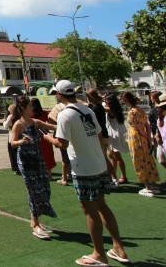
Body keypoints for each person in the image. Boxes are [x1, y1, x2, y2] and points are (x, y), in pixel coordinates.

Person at [48, 80, 129, 266]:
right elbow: (99, 135)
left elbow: (62, 144)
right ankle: (118, 247)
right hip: (99, 164)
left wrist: (47, 138)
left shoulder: (64, 114)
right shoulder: (88, 110)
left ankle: (99, 254)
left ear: (59, 95)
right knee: (102, 205)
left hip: (83, 168)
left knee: (90, 210)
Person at [10, 96, 58, 240]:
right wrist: (21, 141)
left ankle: (35, 219)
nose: (32, 108)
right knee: (33, 191)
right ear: (23, 108)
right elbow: (12, 142)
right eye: (30, 106)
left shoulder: (34, 122)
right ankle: (35, 223)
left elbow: (51, 126)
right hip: (26, 161)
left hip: (38, 159)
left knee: (44, 187)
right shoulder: (18, 124)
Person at [121, 91, 160, 197]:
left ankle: (147, 186)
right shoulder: (141, 110)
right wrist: (148, 138)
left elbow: (137, 127)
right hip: (142, 138)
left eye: (124, 101)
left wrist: (143, 135)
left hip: (136, 137)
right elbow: (146, 125)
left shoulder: (132, 112)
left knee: (139, 160)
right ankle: (154, 184)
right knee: (148, 159)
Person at [85, 89, 115, 186]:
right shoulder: (98, 107)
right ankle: (111, 178)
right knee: (103, 158)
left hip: (100, 136)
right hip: (103, 135)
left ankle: (112, 179)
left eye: (89, 96)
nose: (87, 98)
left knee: (103, 159)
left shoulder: (96, 109)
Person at [148, 91, 166, 188]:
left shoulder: (158, 110)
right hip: (160, 135)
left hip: (160, 136)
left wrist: (156, 135)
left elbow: (158, 123)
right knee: (162, 157)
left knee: (161, 157)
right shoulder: (158, 110)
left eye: (151, 97)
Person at [104, 94, 129, 185]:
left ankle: (123, 176)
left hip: (115, 134)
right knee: (111, 155)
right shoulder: (116, 108)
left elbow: (99, 106)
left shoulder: (110, 109)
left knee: (117, 156)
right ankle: (113, 174)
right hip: (114, 132)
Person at [47, 99, 71, 186]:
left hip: (62, 133)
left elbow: (50, 119)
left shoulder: (59, 108)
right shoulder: (74, 107)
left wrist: (49, 138)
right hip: (71, 133)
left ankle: (65, 178)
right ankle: (69, 174)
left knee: (65, 156)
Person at [31, 98, 56, 179]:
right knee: (48, 154)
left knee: (37, 153)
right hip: (45, 134)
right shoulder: (44, 113)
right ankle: (49, 173)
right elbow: (50, 121)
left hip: (35, 134)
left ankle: (40, 172)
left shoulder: (31, 114)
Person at [4, 105, 20, 175]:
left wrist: (4, 121)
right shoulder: (19, 116)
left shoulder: (11, 116)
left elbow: (5, 126)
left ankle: (16, 168)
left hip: (12, 136)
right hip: (19, 135)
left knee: (13, 153)